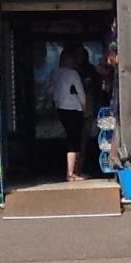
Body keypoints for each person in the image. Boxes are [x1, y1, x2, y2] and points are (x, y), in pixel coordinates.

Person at [50, 44, 95, 181]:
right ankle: (72, 173)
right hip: (74, 108)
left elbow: (51, 91)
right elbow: (81, 92)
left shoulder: (55, 73)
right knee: (75, 141)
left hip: (61, 108)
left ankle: (73, 172)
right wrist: (85, 107)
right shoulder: (73, 73)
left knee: (71, 139)